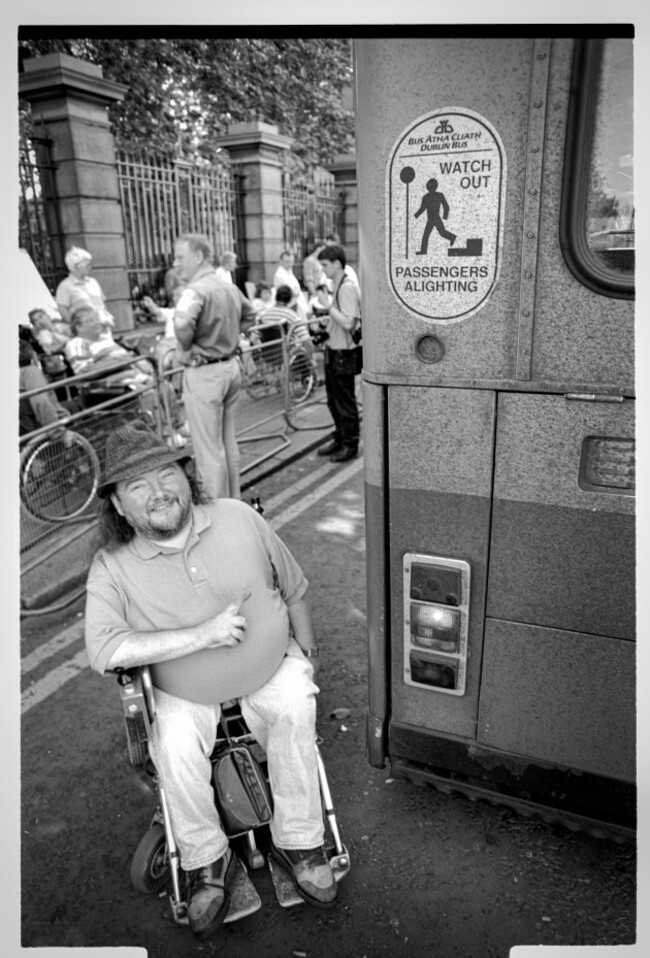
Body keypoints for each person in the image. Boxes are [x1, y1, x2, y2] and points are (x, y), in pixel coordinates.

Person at [84, 419, 337, 940]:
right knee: (172, 743)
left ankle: (300, 840)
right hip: (182, 692)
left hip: (271, 669)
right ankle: (207, 860)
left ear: (186, 475)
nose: (158, 492)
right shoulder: (111, 567)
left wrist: (307, 655)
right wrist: (201, 635)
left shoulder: (239, 517)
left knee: (295, 702)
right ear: (118, 506)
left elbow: (294, 587)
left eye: (165, 473)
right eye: (138, 485)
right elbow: (106, 649)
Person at [170, 233, 257, 500]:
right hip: (230, 368)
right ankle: (234, 504)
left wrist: (186, 347)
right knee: (228, 443)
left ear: (198, 256)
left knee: (208, 450)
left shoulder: (194, 291)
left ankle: (217, 514)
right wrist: (229, 336)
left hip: (205, 374)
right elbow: (251, 315)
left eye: (180, 257)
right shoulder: (227, 285)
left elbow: (183, 324)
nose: (175, 263)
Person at [316, 244, 361, 463]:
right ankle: (340, 438)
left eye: (324, 265)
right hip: (333, 351)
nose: (322, 269)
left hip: (344, 353)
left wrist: (327, 306)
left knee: (345, 403)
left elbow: (349, 323)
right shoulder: (338, 286)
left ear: (336, 263)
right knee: (333, 402)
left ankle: (350, 444)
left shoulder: (347, 287)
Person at [55, 247, 115, 336]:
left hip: (103, 326)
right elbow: (62, 309)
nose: (90, 267)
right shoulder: (65, 286)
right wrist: (76, 327)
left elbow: (102, 303)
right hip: (86, 331)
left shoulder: (93, 282)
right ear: (76, 266)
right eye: (87, 264)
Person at [272, 250, 308, 321]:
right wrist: (295, 292)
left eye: (291, 262)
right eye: (287, 262)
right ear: (281, 261)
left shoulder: (289, 271)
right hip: (290, 305)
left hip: (296, 302)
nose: (289, 264)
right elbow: (286, 292)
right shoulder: (280, 275)